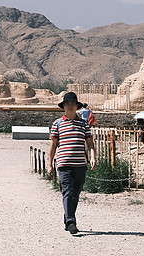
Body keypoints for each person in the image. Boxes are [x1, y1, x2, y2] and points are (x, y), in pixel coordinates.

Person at [48, 92, 96, 234]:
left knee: (75, 193)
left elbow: (89, 142)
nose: (70, 105)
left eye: (72, 103)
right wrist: (50, 164)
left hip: (80, 164)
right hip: (63, 163)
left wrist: (92, 156)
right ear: (63, 106)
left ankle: (68, 217)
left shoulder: (83, 123)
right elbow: (53, 145)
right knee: (68, 191)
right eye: (67, 103)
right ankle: (71, 221)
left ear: (77, 106)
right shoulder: (57, 123)